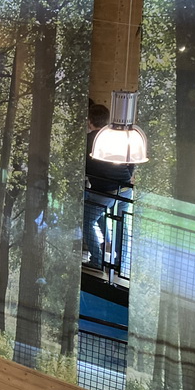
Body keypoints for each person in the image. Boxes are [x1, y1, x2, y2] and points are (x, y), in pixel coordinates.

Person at [84, 102, 135, 271]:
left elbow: (84, 165)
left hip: (105, 190)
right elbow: (131, 160)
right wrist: (127, 176)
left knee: (87, 221)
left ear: (90, 121)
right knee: (121, 224)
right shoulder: (115, 137)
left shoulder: (90, 140)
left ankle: (97, 261)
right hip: (125, 189)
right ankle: (120, 262)